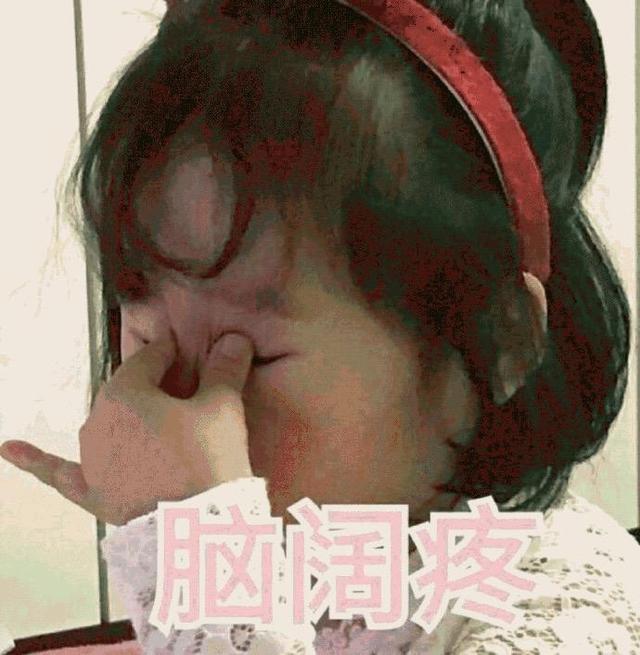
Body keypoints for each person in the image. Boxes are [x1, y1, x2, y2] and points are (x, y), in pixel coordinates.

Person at [2, 0, 639, 652]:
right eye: (144, 335)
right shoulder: (307, 544)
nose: (180, 408)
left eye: (252, 355)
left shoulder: (568, 606)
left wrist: (197, 548)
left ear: (500, 339)